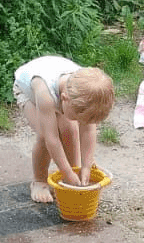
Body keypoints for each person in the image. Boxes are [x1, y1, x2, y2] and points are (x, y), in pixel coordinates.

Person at [13, 56, 114, 203]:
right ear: (64, 99)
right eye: (78, 118)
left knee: (70, 130)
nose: (81, 123)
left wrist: (86, 166)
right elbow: (51, 139)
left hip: (57, 88)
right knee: (43, 135)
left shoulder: (85, 94)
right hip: (29, 92)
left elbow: (88, 131)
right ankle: (39, 181)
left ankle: (75, 174)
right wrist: (65, 171)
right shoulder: (45, 94)